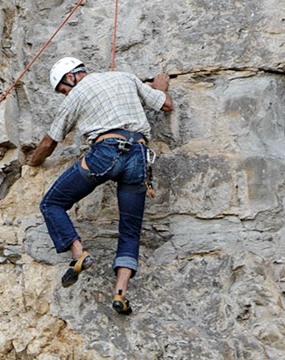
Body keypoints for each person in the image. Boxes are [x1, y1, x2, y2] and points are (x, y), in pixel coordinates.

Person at [23, 56, 174, 315]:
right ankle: (120, 293)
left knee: (52, 203)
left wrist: (31, 163)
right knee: (129, 231)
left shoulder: (75, 95)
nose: (64, 94)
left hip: (105, 152)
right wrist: (161, 87)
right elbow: (166, 105)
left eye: (62, 90)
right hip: (138, 155)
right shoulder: (125, 77)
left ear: (70, 77)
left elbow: (49, 143)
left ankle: (78, 254)